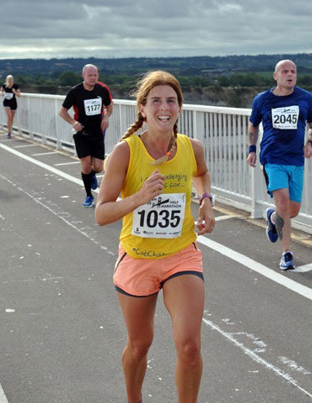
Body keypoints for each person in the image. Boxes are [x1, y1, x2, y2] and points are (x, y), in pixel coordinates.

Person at [95, 71, 215, 403]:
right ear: (143, 109)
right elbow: (101, 213)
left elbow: (202, 174)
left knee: (189, 345)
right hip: (137, 257)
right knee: (139, 344)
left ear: (179, 107)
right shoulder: (125, 152)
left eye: (171, 101)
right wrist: (137, 198)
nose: (165, 107)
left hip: (181, 254)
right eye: (156, 101)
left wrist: (206, 203)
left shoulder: (192, 148)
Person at [247, 59, 312, 270]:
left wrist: (310, 142)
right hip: (273, 159)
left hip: (296, 160)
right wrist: (252, 150)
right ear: (275, 76)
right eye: (285, 71)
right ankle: (287, 253)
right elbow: (253, 125)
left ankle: (271, 216)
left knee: (292, 210)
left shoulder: (305, 98)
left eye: (293, 71)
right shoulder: (262, 100)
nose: (290, 75)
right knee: (284, 203)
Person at [59, 64, 113, 207]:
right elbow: (62, 111)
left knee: (99, 167)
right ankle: (89, 196)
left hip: (97, 133)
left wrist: (106, 117)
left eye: (95, 75)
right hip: (82, 133)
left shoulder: (102, 89)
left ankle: (91, 176)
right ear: (83, 76)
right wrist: (73, 122)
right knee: (86, 165)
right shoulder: (75, 92)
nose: (93, 78)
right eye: (90, 75)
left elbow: (110, 106)